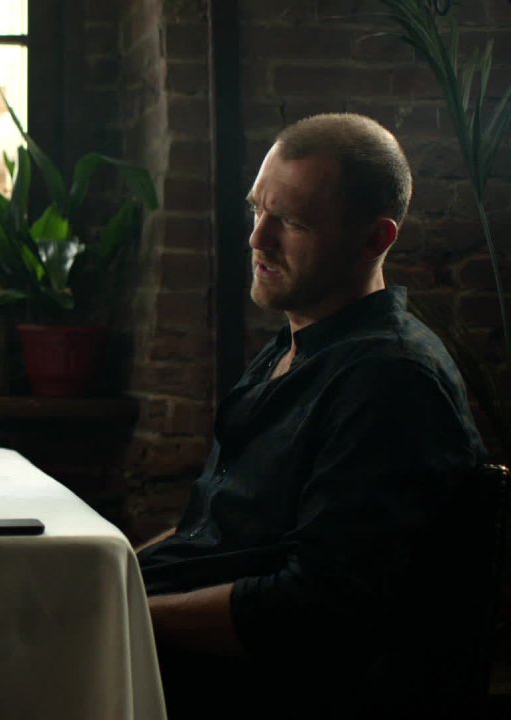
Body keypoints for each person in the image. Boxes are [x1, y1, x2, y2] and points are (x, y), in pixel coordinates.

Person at [135, 113, 486, 719]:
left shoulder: (390, 382)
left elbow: (318, 609)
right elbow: (211, 528)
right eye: (256, 210)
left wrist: (125, 618)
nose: (257, 239)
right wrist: (110, 574)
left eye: (292, 222)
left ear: (375, 240)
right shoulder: (295, 346)